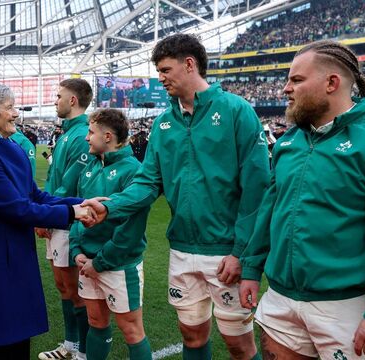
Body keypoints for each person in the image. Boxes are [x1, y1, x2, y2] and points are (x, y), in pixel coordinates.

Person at [83, 33, 269, 360]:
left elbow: (257, 189)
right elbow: (147, 183)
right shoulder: (164, 124)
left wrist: (241, 252)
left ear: (189, 64)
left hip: (227, 251)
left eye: (166, 69)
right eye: (158, 70)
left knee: (239, 343)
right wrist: (110, 206)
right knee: (191, 335)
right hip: (182, 249)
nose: (160, 77)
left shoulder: (236, 111)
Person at [239, 40, 365, 359]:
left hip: (347, 306)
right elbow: (270, 211)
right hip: (280, 297)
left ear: (331, 83)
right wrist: (251, 269)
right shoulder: (288, 142)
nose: (285, 89)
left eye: (296, 79)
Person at [0, 83, 92, 359]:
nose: (16, 114)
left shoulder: (9, 146)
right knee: (0, 338)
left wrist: (80, 203)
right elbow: (18, 209)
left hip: (14, 253)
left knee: (18, 335)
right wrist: (72, 214)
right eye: (9, 108)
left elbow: (35, 195)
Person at [70, 109, 152, 360]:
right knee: (96, 321)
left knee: (131, 330)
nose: (86, 138)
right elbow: (78, 212)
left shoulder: (134, 171)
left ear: (107, 136)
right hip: (87, 261)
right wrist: (77, 251)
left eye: (91, 132)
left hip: (118, 265)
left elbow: (131, 229)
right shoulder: (89, 167)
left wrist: (101, 262)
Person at [38, 78, 93, 360]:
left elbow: (69, 186)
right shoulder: (67, 133)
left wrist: (47, 214)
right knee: (63, 286)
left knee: (74, 289)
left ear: (73, 100)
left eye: (59, 96)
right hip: (57, 217)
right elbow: (53, 180)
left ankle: (82, 350)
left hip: (68, 221)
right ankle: (70, 345)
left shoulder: (82, 134)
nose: (54, 100)